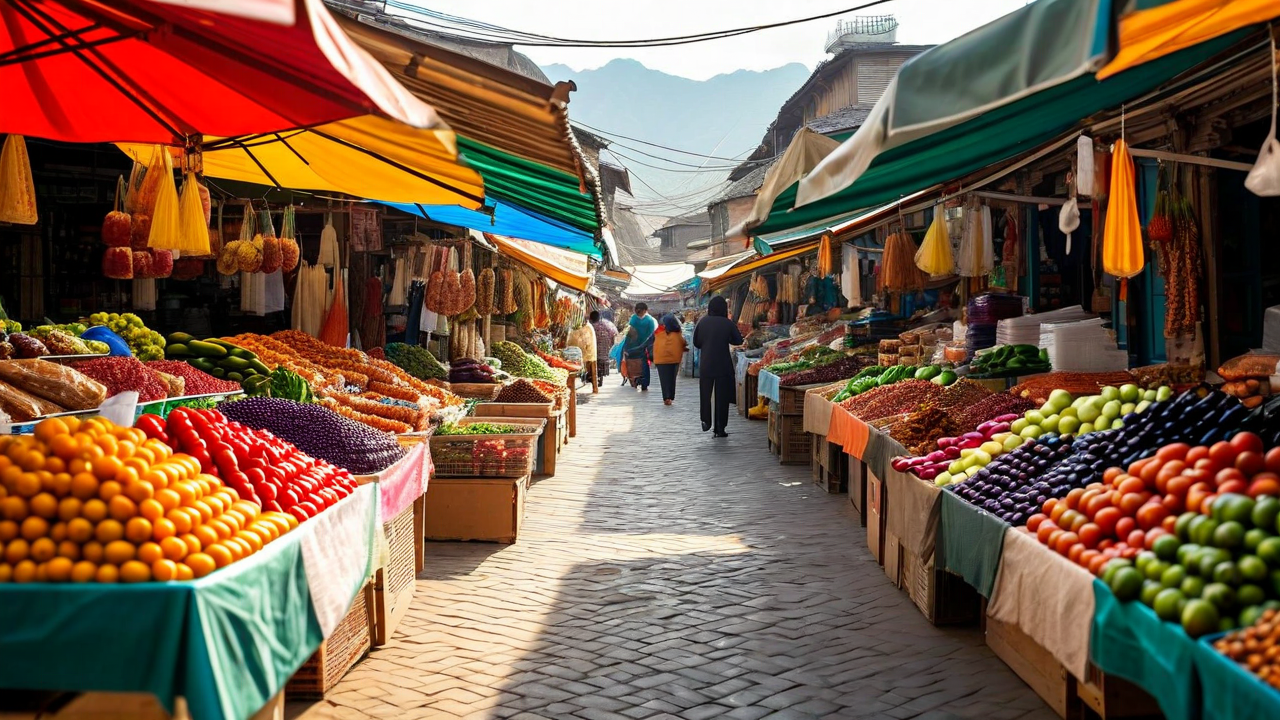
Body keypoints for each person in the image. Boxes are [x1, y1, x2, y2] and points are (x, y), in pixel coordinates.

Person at [693, 295, 743, 437]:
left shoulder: (702, 322)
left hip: (706, 364)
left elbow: (696, 342)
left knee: (705, 394)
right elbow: (738, 340)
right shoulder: (727, 323)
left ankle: (706, 420)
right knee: (722, 398)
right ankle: (720, 428)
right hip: (723, 365)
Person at [652, 314, 687, 406]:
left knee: (664, 380)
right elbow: (683, 343)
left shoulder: (658, 333)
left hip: (661, 360)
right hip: (674, 359)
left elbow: (650, 342)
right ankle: (670, 396)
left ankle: (666, 397)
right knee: (672, 378)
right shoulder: (677, 334)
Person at [622, 302, 657, 391]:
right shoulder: (650, 320)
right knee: (644, 365)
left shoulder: (633, 319)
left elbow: (628, 333)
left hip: (633, 347)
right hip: (643, 347)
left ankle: (635, 380)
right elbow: (652, 335)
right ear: (645, 310)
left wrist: (626, 347)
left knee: (632, 364)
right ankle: (643, 383)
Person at [589, 310, 618, 384]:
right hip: (605, 347)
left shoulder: (591, 327)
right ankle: (600, 375)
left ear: (591, 319)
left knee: (594, 360)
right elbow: (614, 333)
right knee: (602, 359)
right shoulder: (607, 324)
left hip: (594, 348)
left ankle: (593, 375)